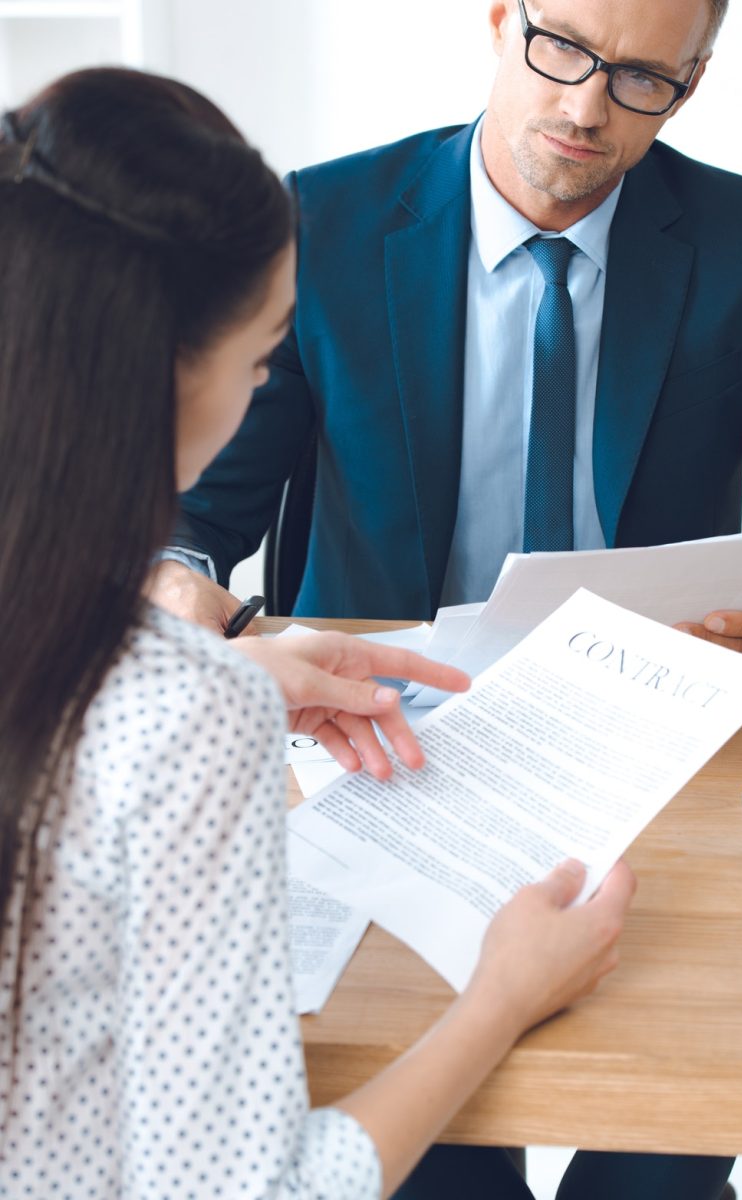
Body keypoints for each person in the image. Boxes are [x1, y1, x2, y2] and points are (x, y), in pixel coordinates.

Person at [0, 67, 637, 1199]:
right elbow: (255, 1192)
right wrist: (501, 997)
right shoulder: (184, 713)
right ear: (161, 376)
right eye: (260, 357)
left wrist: (221, 669)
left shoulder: (147, 684)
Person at [155, 0, 742, 693]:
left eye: (639, 77)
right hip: (374, 706)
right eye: (563, 46)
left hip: (639, 720)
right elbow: (195, 509)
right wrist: (173, 579)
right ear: (503, 19)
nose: (584, 109)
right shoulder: (323, 224)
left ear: (690, 84)